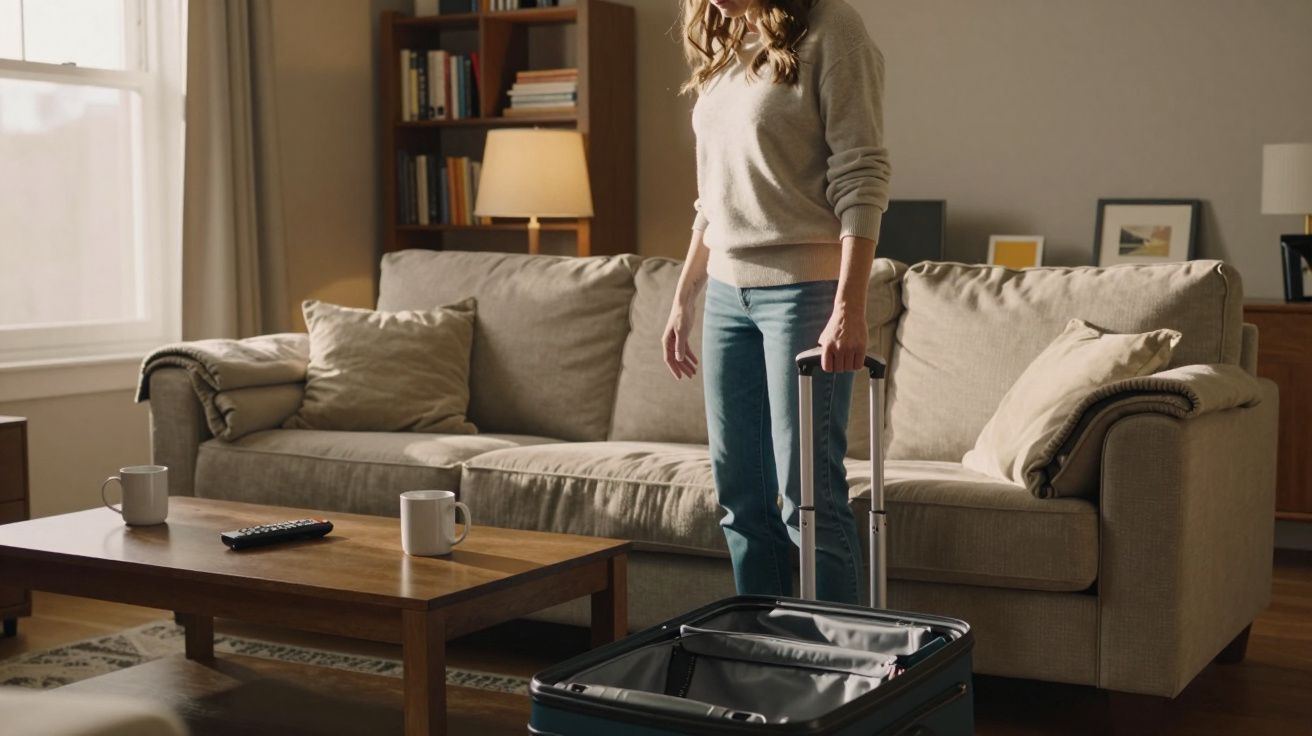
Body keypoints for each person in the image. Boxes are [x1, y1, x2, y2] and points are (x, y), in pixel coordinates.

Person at [661, 0, 891, 604]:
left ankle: (842, 669)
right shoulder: (726, 47)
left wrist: (849, 307)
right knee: (740, 498)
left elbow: (861, 174)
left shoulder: (833, 29)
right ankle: (766, 652)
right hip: (726, 299)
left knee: (806, 499)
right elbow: (712, 198)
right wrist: (685, 296)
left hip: (805, 294)